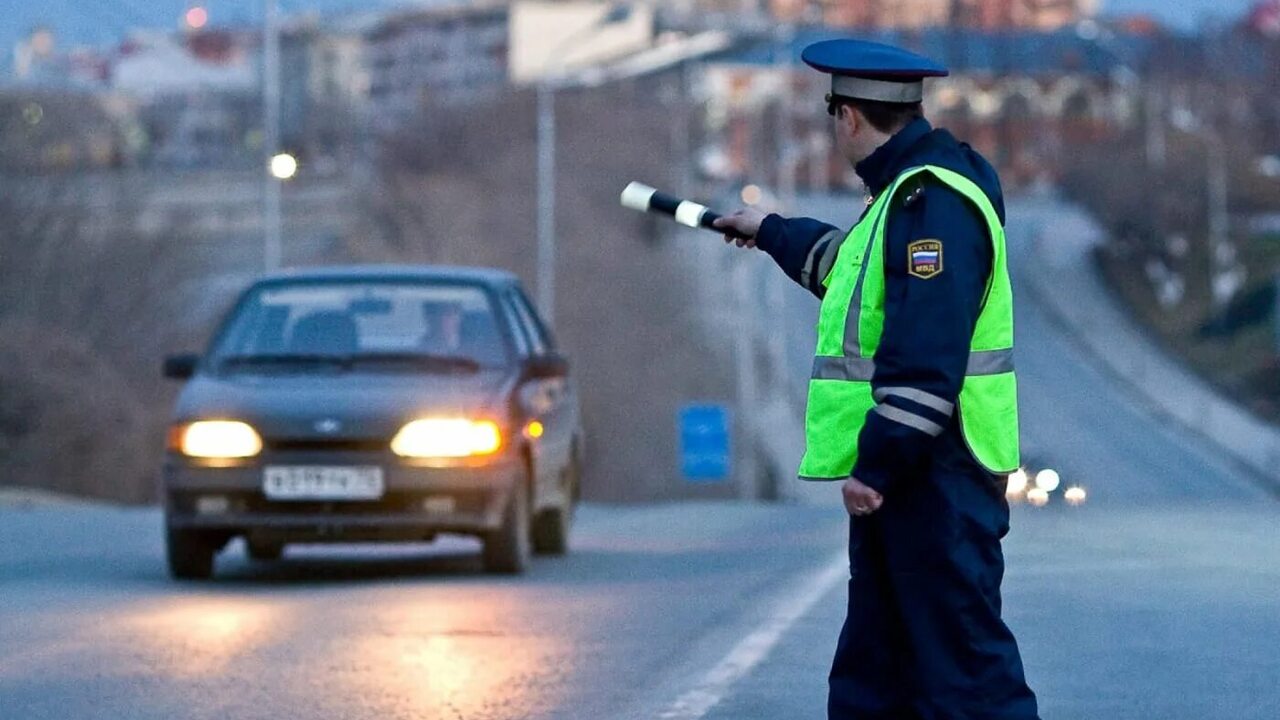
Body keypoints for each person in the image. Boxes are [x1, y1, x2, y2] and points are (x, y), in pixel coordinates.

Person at [714, 39, 1040, 719]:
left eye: (833, 115)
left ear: (850, 118)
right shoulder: (904, 196)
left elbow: (927, 354)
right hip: (915, 482)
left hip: (935, 476)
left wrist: (878, 466)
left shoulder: (934, 205)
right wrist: (768, 229)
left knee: (965, 676)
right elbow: (846, 271)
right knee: (879, 675)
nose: (834, 131)